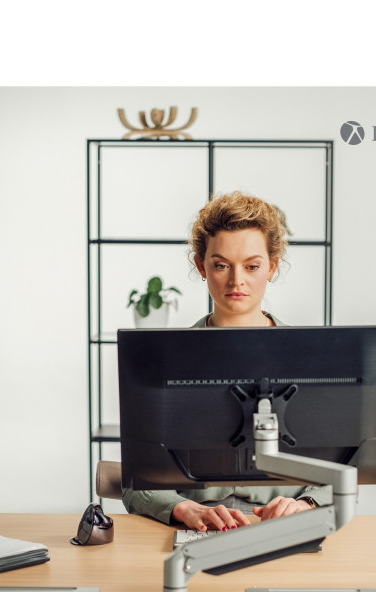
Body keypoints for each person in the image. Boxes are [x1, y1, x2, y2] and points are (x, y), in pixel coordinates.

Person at [121, 191, 332, 531]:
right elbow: (136, 481)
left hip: (285, 525)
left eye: (252, 266)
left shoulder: (312, 359)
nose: (237, 280)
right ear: (201, 266)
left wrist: (305, 504)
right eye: (221, 265)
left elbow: (344, 469)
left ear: (272, 267)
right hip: (192, 525)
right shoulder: (163, 360)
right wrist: (184, 509)